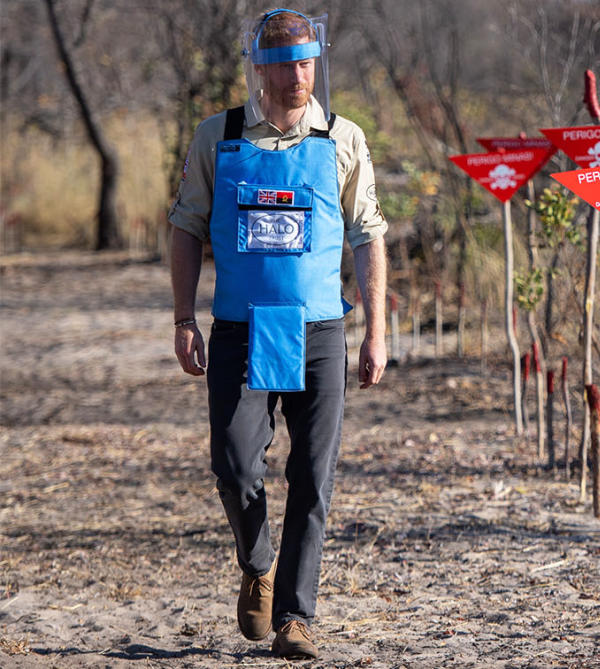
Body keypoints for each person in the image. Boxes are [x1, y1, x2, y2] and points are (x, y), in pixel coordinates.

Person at [168, 8, 388, 660]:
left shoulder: (342, 138)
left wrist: (376, 330)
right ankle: (258, 559)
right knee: (234, 465)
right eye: (283, 63)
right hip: (240, 326)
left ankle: (296, 614)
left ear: (317, 59)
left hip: (320, 327)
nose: (296, 76)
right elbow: (185, 226)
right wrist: (183, 317)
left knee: (313, 476)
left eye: (305, 62)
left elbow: (368, 233)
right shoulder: (219, 137)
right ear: (256, 66)